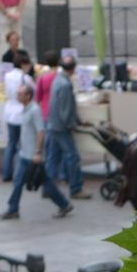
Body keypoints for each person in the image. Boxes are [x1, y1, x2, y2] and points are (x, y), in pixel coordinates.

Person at [0, 77, 71, 221]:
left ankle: (63, 204)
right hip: (25, 155)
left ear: (28, 96)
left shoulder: (35, 110)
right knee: (19, 182)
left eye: (20, 94)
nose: (17, 96)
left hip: (33, 157)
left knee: (45, 184)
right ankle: (13, 209)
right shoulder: (25, 109)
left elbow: (41, 132)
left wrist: (37, 152)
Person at [46, 52, 87, 200]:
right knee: (72, 156)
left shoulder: (58, 80)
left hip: (53, 124)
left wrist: (78, 120)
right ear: (73, 68)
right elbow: (66, 109)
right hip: (61, 127)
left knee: (53, 157)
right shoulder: (64, 84)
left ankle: (47, 188)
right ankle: (76, 188)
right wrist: (72, 124)